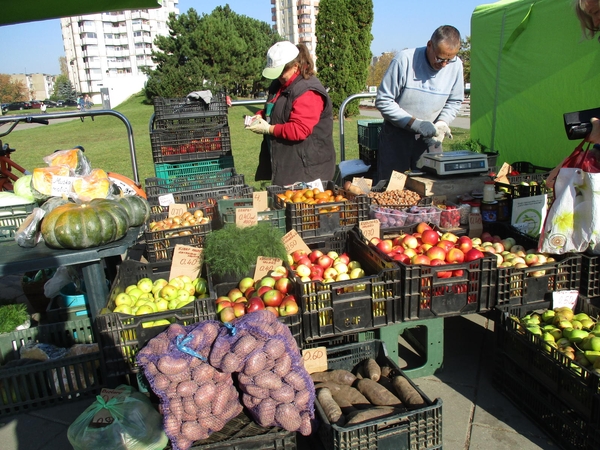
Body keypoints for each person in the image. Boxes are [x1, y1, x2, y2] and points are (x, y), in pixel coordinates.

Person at [375, 25, 465, 180]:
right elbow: (384, 100)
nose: (443, 64)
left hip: (431, 138)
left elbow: (454, 101)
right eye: (439, 58)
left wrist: (442, 122)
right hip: (397, 136)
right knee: (390, 189)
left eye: (449, 60)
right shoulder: (404, 60)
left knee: (432, 187)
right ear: (429, 45)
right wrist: (414, 123)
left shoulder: (456, 66)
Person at [246, 41, 336, 186]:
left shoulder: (308, 91)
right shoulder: (279, 85)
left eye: (282, 72)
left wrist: (268, 129)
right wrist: (261, 115)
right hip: (288, 165)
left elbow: (299, 129)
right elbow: (279, 109)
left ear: (296, 66)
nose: (279, 77)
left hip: (308, 170)